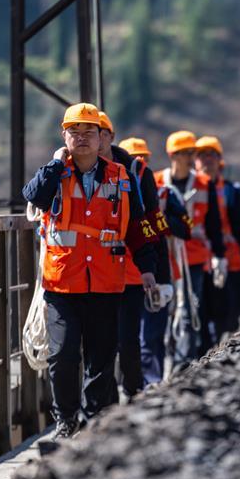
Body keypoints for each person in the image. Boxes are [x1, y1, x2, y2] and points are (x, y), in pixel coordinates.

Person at [22, 103, 158, 440]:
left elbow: (139, 227)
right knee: (63, 354)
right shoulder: (53, 175)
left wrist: (151, 271)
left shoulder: (121, 177)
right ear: (63, 136)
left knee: (101, 357)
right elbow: (34, 197)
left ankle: (96, 422)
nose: (82, 138)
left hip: (105, 283)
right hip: (62, 284)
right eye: (74, 132)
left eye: (89, 132)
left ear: (103, 139)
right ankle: (66, 420)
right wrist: (56, 162)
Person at [96, 115, 172, 401]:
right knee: (99, 343)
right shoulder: (72, 169)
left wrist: (159, 274)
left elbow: (151, 226)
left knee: (129, 341)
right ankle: (101, 403)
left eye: (99, 133)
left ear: (110, 137)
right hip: (91, 275)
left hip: (129, 272)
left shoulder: (137, 174)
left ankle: (133, 390)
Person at [118, 137, 191, 384]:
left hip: (154, 273)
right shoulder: (110, 189)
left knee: (151, 334)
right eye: (135, 158)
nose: (140, 162)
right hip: (118, 276)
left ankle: (150, 382)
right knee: (127, 337)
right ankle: (132, 384)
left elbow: (177, 231)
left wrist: (164, 278)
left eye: (145, 158)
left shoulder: (163, 194)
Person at [154, 130, 226, 370]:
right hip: (162, 256)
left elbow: (214, 224)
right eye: (185, 153)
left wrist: (219, 256)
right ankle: (166, 358)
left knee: (189, 308)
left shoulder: (205, 184)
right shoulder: (155, 182)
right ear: (172, 155)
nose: (190, 157)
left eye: (191, 153)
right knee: (165, 309)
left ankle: (183, 363)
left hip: (194, 258)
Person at [195, 136, 240, 339]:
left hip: (232, 261)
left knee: (230, 315)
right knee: (202, 315)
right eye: (202, 155)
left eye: (212, 155)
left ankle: (225, 352)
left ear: (219, 159)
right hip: (199, 260)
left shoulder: (232, 191)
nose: (207, 160)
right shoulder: (190, 190)